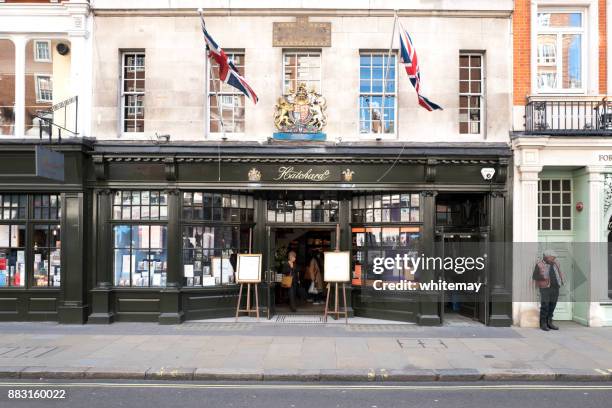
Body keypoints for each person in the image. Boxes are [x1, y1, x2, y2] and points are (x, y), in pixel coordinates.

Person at [532, 249, 565, 331]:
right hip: (545, 288)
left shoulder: (555, 263)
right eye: (552, 258)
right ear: (547, 257)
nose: (554, 259)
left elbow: (559, 272)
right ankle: (543, 324)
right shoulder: (539, 265)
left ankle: (549, 323)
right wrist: (543, 277)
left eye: (554, 258)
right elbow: (534, 276)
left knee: (552, 305)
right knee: (545, 306)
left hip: (555, 287)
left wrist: (561, 281)